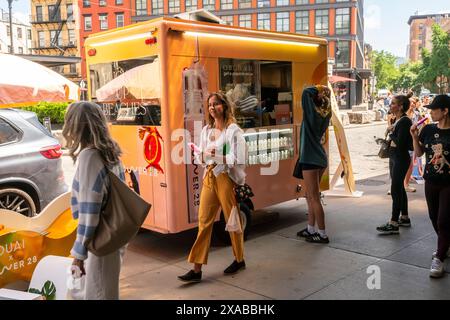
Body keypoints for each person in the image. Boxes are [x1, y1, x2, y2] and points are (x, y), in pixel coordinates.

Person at [178, 92, 247, 283]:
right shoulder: (207, 131)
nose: (212, 107)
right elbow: (201, 158)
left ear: (224, 106)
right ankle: (197, 268)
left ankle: (239, 259)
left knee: (232, 220)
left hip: (226, 178)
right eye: (210, 105)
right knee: (204, 221)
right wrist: (200, 155)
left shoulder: (233, 131)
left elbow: (238, 159)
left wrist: (215, 155)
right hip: (210, 176)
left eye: (216, 104)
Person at [62, 101, 126, 299]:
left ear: (76, 126)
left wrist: (79, 255)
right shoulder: (111, 152)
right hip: (113, 240)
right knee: (108, 292)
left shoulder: (90, 157)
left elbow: (89, 215)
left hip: (98, 243)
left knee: (98, 294)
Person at [410, 94, 450, 278]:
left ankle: (439, 258)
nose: (431, 112)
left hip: (448, 184)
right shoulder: (427, 129)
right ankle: (445, 244)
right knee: (434, 217)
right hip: (431, 181)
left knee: (443, 220)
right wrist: (414, 136)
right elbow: (418, 154)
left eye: (434, 109)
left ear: (445, 111)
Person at [294, 85, 332, 243]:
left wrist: (318, 88)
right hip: (319, 157)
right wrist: (324, 93)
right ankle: (311, 229)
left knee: (314, 197)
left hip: (310, 159)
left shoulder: (310, 114)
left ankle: (322, 234)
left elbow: (305, 92)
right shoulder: (325, 113)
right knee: (310, 196)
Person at [377, 93, 414, 234]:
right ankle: (404, 217)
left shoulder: (405, 121)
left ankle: (393, 222)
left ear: (400, 106)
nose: (390, 105)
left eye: (393, 103)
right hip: (394, 157)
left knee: (395, 189)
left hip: (400, 157)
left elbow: (401, 142)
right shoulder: (396, 119)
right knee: (399, 188)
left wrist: (391, 132)